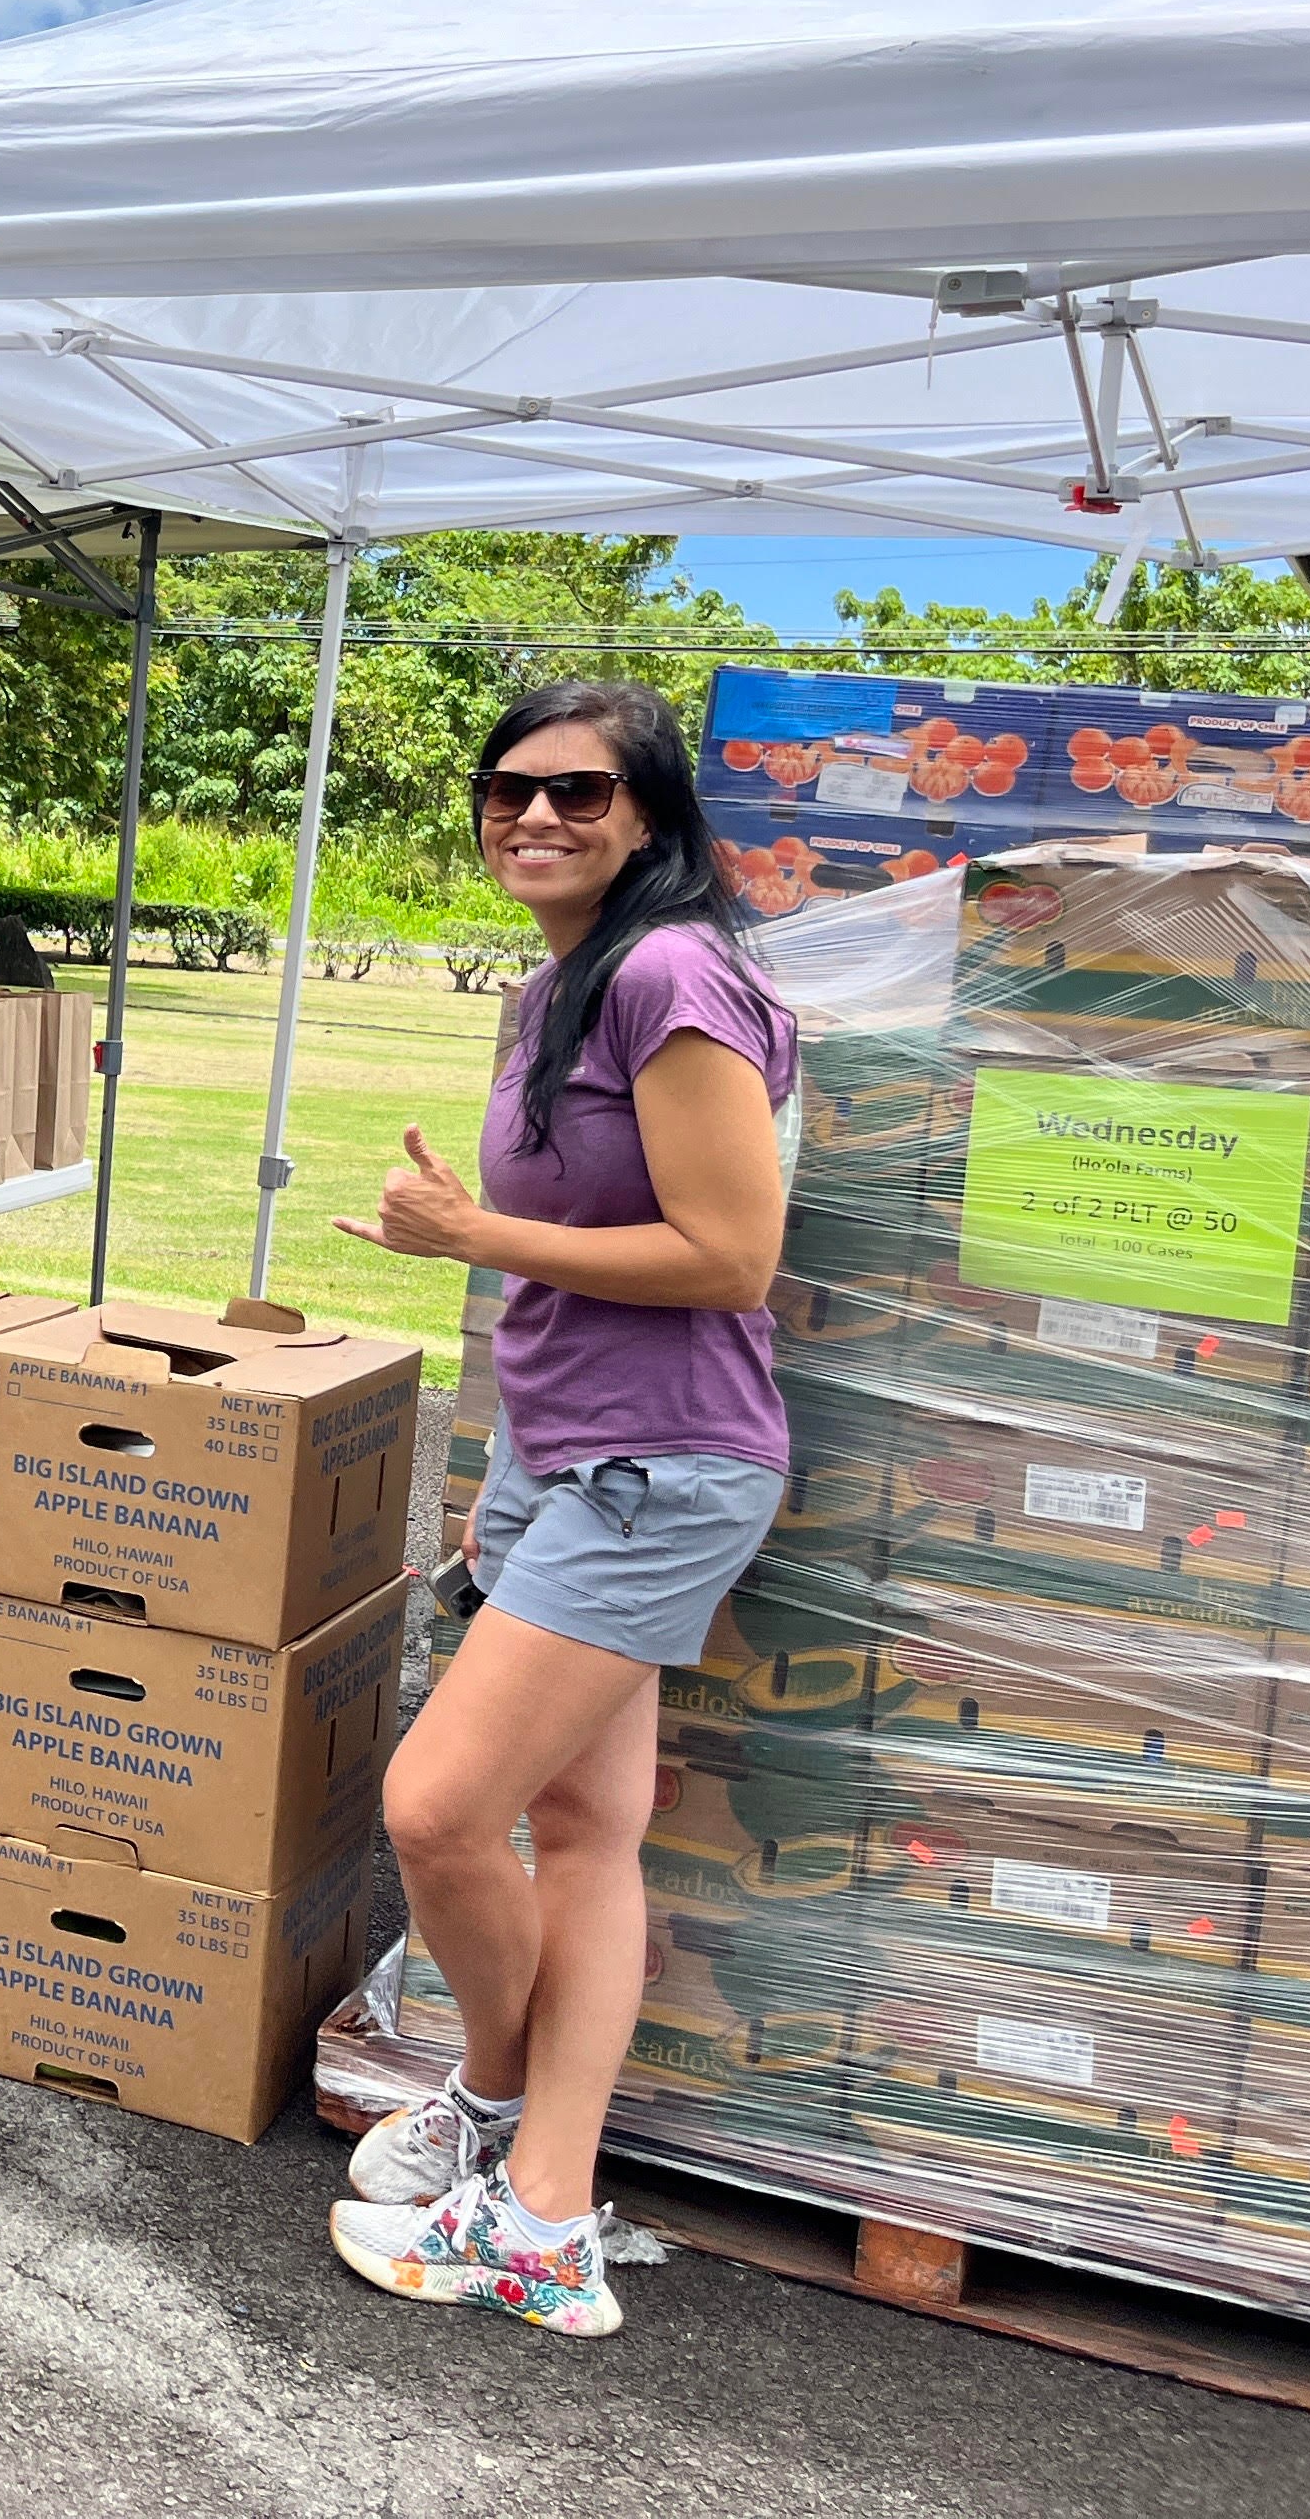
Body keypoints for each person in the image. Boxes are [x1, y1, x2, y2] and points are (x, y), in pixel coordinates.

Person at [324, 680, 795, 2338]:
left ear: (649, 817)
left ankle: (506, 2124)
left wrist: (470, 1238)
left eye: (579, 793)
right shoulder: (552, 985)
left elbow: (732, 1252)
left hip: (660, 1467)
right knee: (585, 1833)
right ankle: (536, 2203)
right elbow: (560, 1285)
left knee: (437, 1805)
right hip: (563, 1454)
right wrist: (497, 1476)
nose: (534, 815)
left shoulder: (666, 974)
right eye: (508, 788)